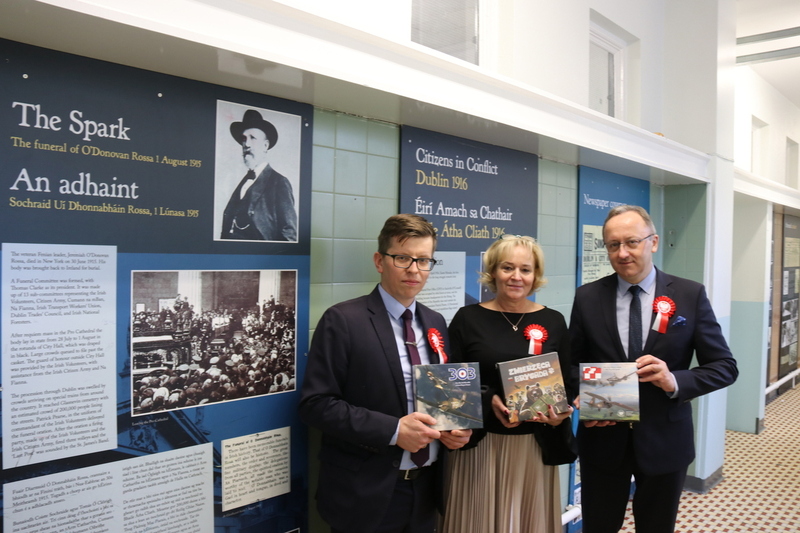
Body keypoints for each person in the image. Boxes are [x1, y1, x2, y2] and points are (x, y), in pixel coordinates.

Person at [569, 205, 738, 533]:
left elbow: (724, 366)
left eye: (632, 242)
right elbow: (571, 365)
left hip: (665, 440)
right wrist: (587, 394)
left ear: (654, 242)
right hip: (603, 440)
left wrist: (674, 379)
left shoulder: (689, 295)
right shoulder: (588, 297)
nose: (623, 252)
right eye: (613, 245)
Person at [298, 214, 472, 533]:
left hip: (425, 493)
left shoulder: (436, 323)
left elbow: (444, 397)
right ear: (380, 260)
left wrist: (455, 428)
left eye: (423, 260)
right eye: (402, 258)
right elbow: (316, 404)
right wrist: (393, 430)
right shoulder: (343, 321)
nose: (414, 270)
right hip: (366, 496)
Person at [441, 234, 575, 533]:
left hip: (534, 449)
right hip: (480, 448)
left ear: (535, 275)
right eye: (507, 267)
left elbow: (566, 382)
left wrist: (560, 414)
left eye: (525, 269)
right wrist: (488, 401)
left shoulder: (553, 322)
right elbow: (450, 385)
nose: (516, 277)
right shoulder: (467, 319)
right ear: (492, 272)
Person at [221, 109, 297, 241]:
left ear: (265, 145)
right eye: (244, 139)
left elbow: (289, 234)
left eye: (253, 138)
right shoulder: (243, 182)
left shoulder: (279, 182)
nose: (247, 144)